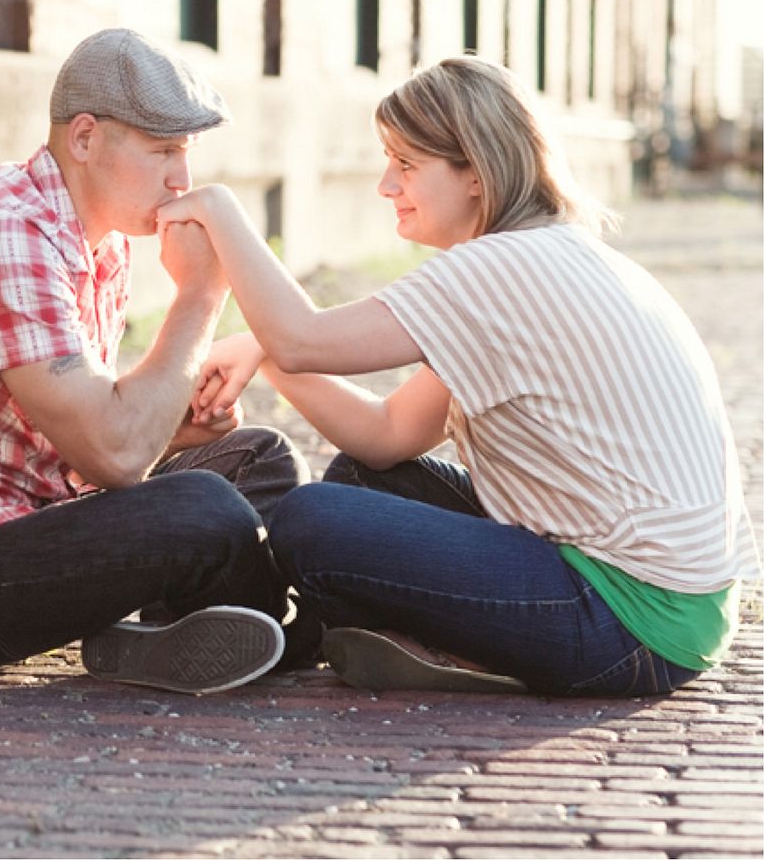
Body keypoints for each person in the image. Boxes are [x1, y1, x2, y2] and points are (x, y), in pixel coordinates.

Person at [161, 54, 761, 696]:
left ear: (474, 172)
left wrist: (220, 213)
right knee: (362, 479)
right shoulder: (545, 254)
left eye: (407, 165)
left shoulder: (501, 267)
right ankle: (374, 637)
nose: (386, 185)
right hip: (681, 610)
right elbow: (388, 434)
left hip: (631, 621)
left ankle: (311, 633)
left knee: (312, 519)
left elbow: (303, 337)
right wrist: (267, 356)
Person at [0, 29, 311, 694]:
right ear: (83, 139)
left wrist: (178, 422)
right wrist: (200, 295)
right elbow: (112, 456)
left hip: (12, 523)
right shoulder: (5, 234)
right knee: (205, 511)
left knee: (259, 459)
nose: (180, 179)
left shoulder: (94, 245)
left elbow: (77, 444)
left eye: (185, 152)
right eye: (162, 149)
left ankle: (169, 637)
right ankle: (295, 631)